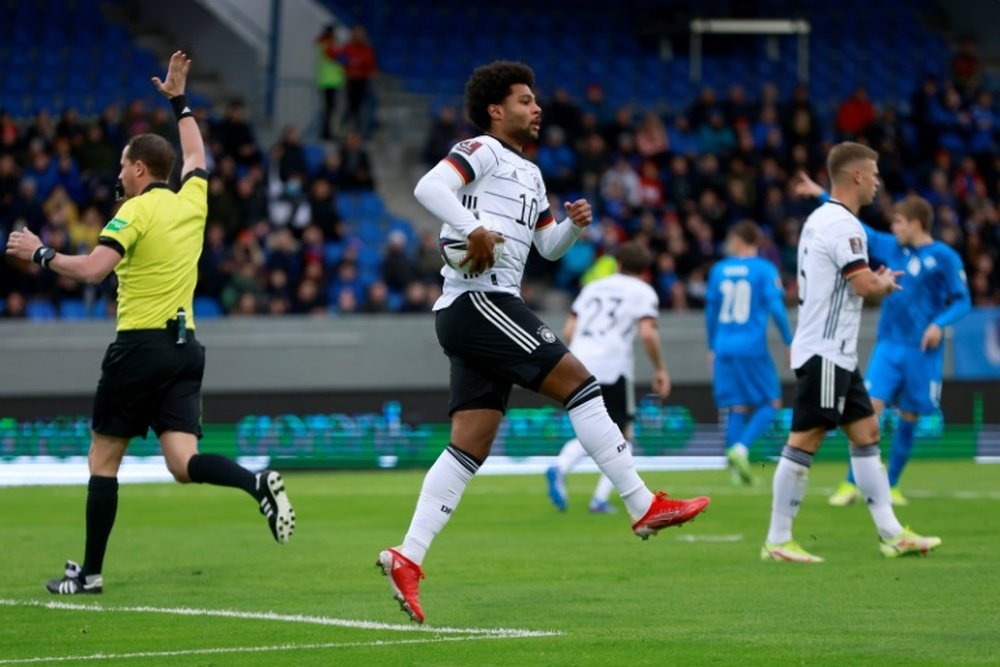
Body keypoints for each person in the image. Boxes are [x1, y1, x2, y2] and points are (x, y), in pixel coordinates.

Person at [376, 61, 710, 623]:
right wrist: (470, 227)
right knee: (581, 384)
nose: (537, 109)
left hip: (479, 307)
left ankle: (407, 556)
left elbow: (548, 249)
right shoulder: (479, 149)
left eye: (536, 101)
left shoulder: (530, 175)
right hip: (479, 300)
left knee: (469, 446)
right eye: (526, 100)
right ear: (496, 110)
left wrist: (573, 227)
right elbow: (428, 186)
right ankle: (641, 502)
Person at [5, 52, 295, 595]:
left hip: (138, 348)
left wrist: (41, 253)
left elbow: (93, 271)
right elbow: (195, 151)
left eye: (122, 165)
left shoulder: (134, 211)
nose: (118, 173)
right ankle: (255, 482)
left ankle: (89, 574)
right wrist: (179, 100)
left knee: (103, 457)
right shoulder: (193, 200)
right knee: (183, 463)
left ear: (140, 169)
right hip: (185, 349)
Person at [761, 141, 940, 564]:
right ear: (857, 175)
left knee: (867, 434)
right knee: (806, 438)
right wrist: (881, 284)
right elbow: (862, 287)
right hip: (825, 351)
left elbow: (850, 281)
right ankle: (778, 538)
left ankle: (892, 534)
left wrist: (872, 281)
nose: (878, 182)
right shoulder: (844, 226)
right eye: (874, 173)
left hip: (836, 352)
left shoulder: (821, 219)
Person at [792, 172, 971, 506]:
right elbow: (857, 228)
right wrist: (821, 193)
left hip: (921, 350)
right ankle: (850, 484)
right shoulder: (891, 247)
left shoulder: (945, 257)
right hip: (888, 345)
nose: (894, 228)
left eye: (900, 222)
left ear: (917, 223)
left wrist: (939, 324)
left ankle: (892, 484)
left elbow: (963, 300)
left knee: (910, 417)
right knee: (868, 412)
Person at [545, 242, 671, 514]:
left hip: (577, 361)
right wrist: (660, 369)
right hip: (613, 366)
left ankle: (561, 467)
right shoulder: (642, 291)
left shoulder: (592, 287)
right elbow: (648, 333)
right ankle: (599, 498)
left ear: (618, 264)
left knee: (593, 427)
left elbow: (569, 329)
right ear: (644, 270)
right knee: (623, 433)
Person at [705, 221, 792, 486]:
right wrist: (789, 341)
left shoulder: (719, 270)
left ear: (739, 240)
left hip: (723, 345)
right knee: (771, 401)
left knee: (737, 405)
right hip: (751, 346)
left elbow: (710, 313)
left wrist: (711, 346)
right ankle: (741, 449)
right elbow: (776, 308)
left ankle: (736, 472)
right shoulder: (764, 269)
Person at [315, 24, 346, 140]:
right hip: (329, 81)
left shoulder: (326, 43)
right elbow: (336, 56)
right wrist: (349, 59)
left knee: (330, 109)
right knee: (329, 110)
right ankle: (327, 133)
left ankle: (327, 132)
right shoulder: (327, 44)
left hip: (331, 81)